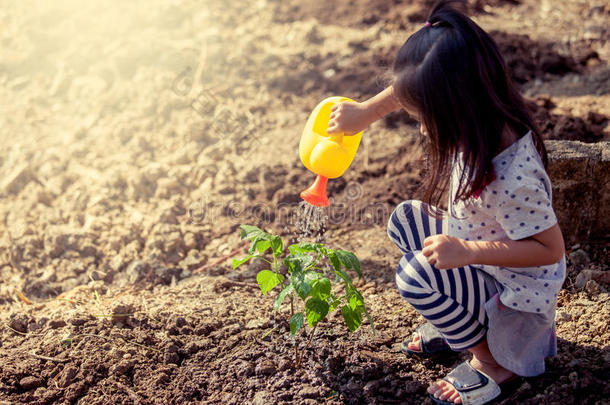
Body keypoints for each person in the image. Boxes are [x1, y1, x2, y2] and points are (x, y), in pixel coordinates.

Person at [326, 1, 566, 404]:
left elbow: (549, 250)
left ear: (455, 105)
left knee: (414, 276)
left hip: (517, 297)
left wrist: (468, 251)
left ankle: (494, 360)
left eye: (425, 118)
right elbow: (408, 89)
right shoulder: (475, 117)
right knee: (406, 221)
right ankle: (464, 317)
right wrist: (364, 114)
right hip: (485, 260)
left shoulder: (512, 178)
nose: (421, 127)